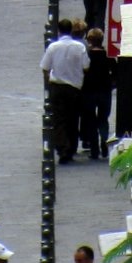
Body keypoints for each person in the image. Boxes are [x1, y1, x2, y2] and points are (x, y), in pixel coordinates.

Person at [40, 19, 87, 163]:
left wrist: (49, 80)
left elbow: (45, 67)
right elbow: (86, 66)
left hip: (57, 86)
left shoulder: (53, 47)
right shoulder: (80, 47)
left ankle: (62, 147)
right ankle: (71, 148)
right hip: (74, 88)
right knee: (73, 119)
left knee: (59, 119)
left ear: (58, 31)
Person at [79, 28, 114, 160]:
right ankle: (104, 143)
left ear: (89, 40)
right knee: (103, 119)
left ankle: (94, 149)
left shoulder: (86, 55)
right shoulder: (108, 55)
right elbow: (116, 73)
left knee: (91, 120)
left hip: (88, 90)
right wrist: (111, 84)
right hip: (105, 91)